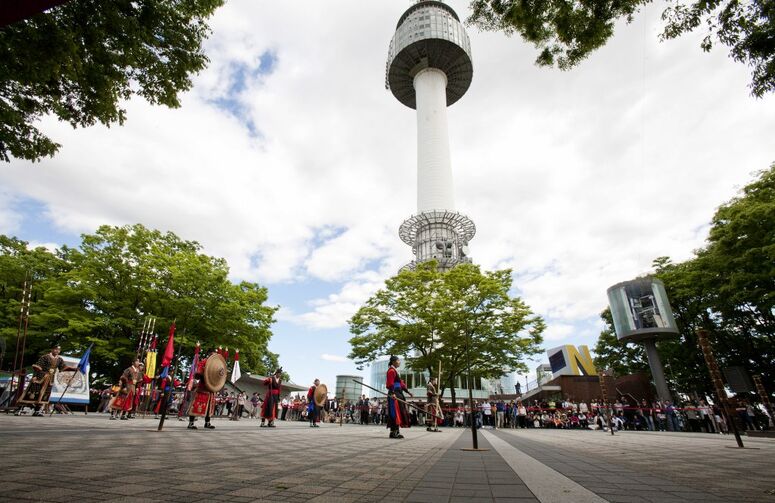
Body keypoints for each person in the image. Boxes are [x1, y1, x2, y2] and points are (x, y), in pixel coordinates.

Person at [17, 344, 76, 415]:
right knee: (33, 392)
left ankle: (37, 411)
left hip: (50, 379)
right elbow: (37, 367)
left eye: (58, 350)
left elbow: (63, 367)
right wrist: (35, 376)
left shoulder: (59, 359)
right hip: (40, 377)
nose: (57, 351)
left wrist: (74, 369)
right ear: (52, 349)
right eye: (55, 349)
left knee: (45, 395)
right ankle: (20, 409)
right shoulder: (45, 357)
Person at [186, 351, 218, 430]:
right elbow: (197, 374)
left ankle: (207, 423)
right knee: (196, 406)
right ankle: (191, 423)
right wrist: (204, 374)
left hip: (211, 389)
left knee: (209, 408)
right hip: (202, 388)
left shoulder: (216, 364)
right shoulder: (203, 362)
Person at [386, 355, 412, 439]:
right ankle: (394, 432)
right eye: (398, 360)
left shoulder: (395, 371)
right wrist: (392, 393)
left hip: (398, 393)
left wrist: (408, 392)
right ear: (393, 362)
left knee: (398, 413)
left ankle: (395, 432)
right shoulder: (391, 371)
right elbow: (390, 383)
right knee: (394, 413)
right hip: (394, 394)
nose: (399, 362)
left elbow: (401, 383)